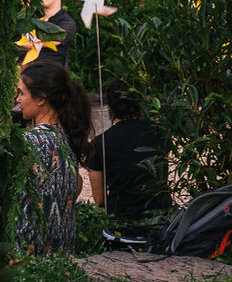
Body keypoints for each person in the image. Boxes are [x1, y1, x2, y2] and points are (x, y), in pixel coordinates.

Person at [14, 59, 93, 256]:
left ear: (41, 98)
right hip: (58, 260)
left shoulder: (32, 141)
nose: (17, 100)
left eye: (21, 93)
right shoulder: (63, 138)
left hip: (26, 260)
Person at [85, 82, 169, 225]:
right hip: (161, 215)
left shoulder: (99, 143)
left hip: (121, 218)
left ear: (110, 107)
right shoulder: (160, 134)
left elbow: (99, 199)